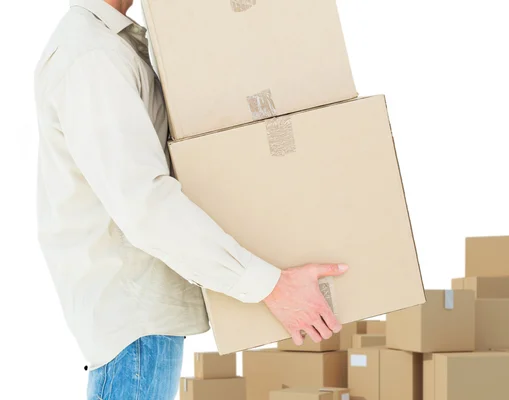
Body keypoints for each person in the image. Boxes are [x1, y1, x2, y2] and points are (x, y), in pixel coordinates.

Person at [33, 0, 349, 398]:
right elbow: (144, 203)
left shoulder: (107, 45)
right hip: (136, 319)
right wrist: (270, 286)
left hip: (140, 316)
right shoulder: (92, 56)